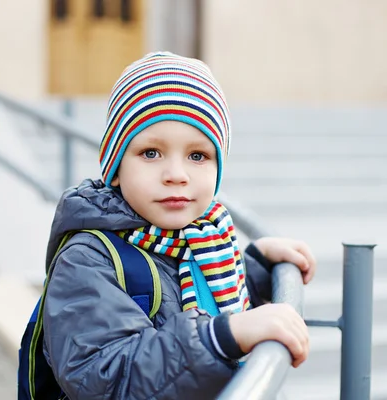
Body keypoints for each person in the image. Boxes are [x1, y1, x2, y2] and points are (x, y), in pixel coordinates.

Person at [42, 52, 316, 399]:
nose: (176, 175)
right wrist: (220, 338)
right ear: (115, 165)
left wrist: (253, 269)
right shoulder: (87, 259)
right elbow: (104, 377)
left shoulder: (203, 238)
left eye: (197, 155)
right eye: (151, 153)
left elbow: (184, 288)